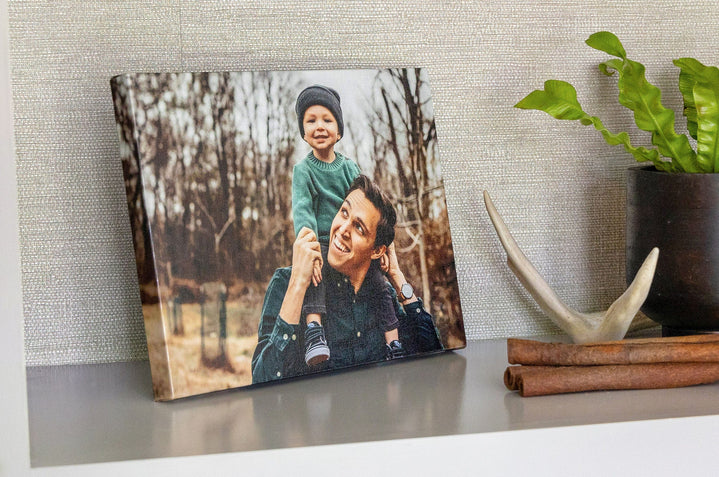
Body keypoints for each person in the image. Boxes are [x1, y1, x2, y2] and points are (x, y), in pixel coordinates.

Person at [251, 175, 443, 384]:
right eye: (344, 212)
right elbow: (261, 382)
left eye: (359, 228)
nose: (342, 230)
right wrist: (297, 285)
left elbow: (434, 361)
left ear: (378, 250)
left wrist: (397, 276)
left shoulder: (384, 298)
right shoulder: (286, 283)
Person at [291, 85, 403, 366]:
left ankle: (394, 342)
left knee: (378, 284)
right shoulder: (302, 171)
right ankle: (315, 330)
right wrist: (310, 249)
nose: (319, 127)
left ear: (339, 131)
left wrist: (387, 252)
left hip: (352, 242)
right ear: (303, 132)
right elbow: (303, 210)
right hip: (322, 241)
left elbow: (369, 209)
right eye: (311, 120)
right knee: (315, 276)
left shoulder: (350, 168)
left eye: (327, 120)